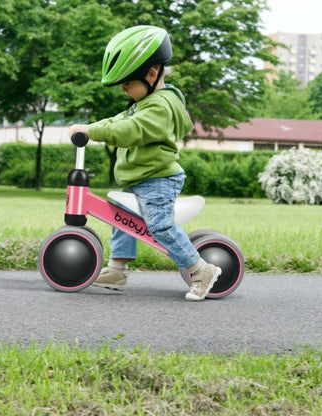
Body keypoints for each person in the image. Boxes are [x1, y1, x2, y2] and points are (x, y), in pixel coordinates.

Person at [68, 25, 221, 301]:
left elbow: (129, 131)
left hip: (158, 180)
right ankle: (117, 268)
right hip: (143, 179)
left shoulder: (158, 107)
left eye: (128, 82)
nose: (125, 89)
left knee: (160, 225)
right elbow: (118, 120)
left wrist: (93, 132)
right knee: (119, 216)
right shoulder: (146, 101)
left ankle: (201, 269)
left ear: (151, 75)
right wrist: (90, 127)